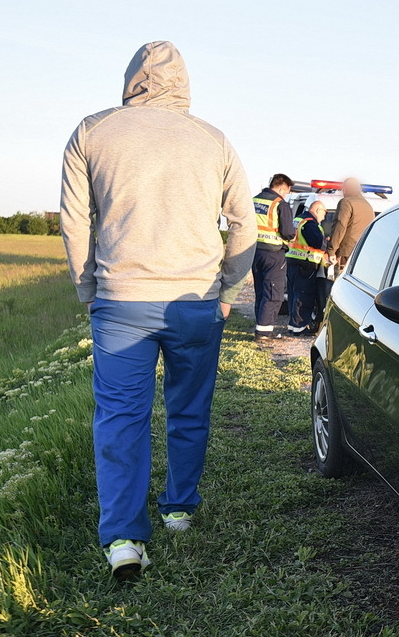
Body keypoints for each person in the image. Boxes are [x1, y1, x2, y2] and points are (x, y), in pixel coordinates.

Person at [60, 41, 255, 580]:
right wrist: (226, 292)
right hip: (194, 301)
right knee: (189, 408)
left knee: (121, 417)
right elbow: (246, 224)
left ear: (130, 80)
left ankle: (124, 539)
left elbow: (75, 222)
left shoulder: (92, 131)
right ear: (185, 83)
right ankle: (179, 510)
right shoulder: (213, 139)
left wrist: (87, 290)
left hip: (120, 301)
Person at [251, 174, 296, 339]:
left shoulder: (254, 200)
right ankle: (263, 332)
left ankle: (260, 326)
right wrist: (293, 235)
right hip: (273, 253)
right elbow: (287, 232)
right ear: (282, 187)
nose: (286, 195)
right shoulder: (280, 204)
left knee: (261, 291)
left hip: (254, 251)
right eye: (287, 192)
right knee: (274, 294)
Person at [285, 199, 331, 336]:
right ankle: (300, 327)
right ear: (317, 210)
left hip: (293, 261)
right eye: (324, 213)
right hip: (305, 263)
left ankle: (293, 326)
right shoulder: (310, 223)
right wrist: (327, 243)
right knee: (303, 296)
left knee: (294, 295)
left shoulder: (299, 219)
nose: (324, 218)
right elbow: (317, 243)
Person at [329, 177, 374, 272]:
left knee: (339, 282)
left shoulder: (346, 202)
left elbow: (340, 226)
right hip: (361, 254)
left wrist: (331, 250)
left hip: (346, 253)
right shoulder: (369, 206)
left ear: (344, 189)